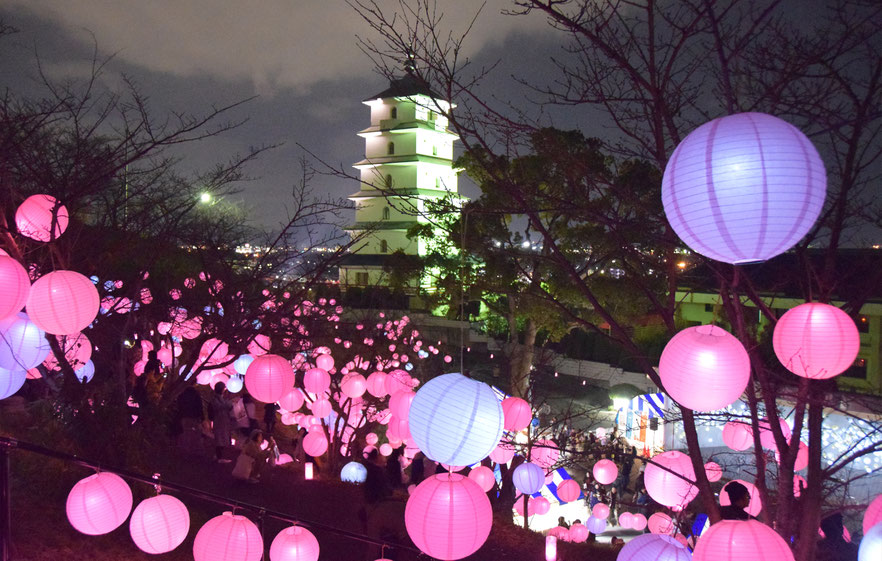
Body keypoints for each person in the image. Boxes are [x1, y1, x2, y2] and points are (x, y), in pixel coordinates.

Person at [210, 382, 233, 463]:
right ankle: (219, 457)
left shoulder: (220, 398)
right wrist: (228, 401)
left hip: (223, 421)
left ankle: (218, 455)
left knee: (222, 438)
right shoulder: (216, 399)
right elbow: (222, 406)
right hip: (220, 421)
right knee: (220, 439)